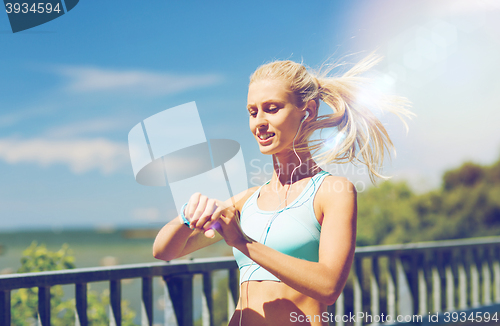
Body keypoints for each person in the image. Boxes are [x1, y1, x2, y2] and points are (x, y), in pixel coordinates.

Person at [153, 53, 413, 326]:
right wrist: (187, 215)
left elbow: (329, 286)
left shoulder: (333, 191)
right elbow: (164, 251)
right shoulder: (247, 199)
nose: (259, 122)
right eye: (253, 112)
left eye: (272, 108)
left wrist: (244, 243)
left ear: (308, 111)